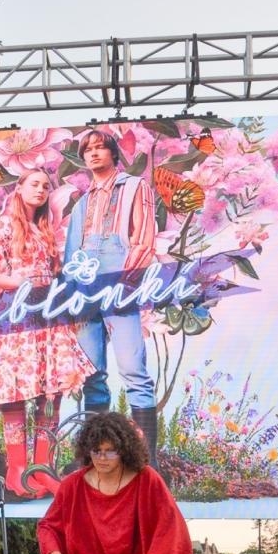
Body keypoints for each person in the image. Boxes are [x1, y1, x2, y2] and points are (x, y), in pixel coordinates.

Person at [0, 168, 93, 498]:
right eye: (34, 184)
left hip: (47, 315)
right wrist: (19, 282)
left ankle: (42, 468)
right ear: (19, 188)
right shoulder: (7, 225)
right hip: (19, 316)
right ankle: (17, 470)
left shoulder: (45, 229)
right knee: (16, 390)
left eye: (46, 186)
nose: (41, 190)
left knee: (54, 388)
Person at [62, 129, 160, 456]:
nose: (93, 153)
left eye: (100, 147)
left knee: (133, 369)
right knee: (92, 374)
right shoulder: (82, 203)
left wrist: (124, 285)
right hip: (85, 292)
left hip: (119, 286)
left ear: (113, 153)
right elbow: (72, 255)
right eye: (87, 149)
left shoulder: (134, 187)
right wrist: (72, 300)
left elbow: (143, 240)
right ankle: (95, 457)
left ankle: (147, 461)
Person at [37, 410, 192, 554]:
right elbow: (48, 527)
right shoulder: (72, 486)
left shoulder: (147, 480)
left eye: (110, 451)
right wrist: (54, 553)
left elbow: (170, 531)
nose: (102, 458)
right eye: (96, 450)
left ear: (124, 450)